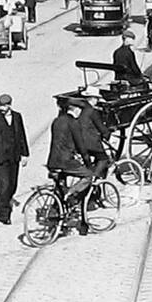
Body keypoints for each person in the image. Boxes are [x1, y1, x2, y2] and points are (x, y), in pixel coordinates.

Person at [47, 98, 92, 234]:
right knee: (88, 176)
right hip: (66, 162)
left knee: (59, 186)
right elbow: (80, 145)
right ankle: (71, 195)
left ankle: (57, 217)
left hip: (52, 161)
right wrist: (87, 161)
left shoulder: (56, 121)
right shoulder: (73, 123)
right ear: (75, 110)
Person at [0, 94, 29, 225]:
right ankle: (4, 214)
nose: (2, 108)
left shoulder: (17, 117)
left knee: (13, 185)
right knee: (3, 186)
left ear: (10, 105)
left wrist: (25, 154)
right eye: (1, 105)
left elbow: (22, 135)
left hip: (14, 157)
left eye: (5, 105)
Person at [75, 85, 111, 179]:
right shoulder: (92, 111)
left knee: (91, 160)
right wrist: (107, 134)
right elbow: (102, 129)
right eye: (96, 99)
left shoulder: (80, 110)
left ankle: (90, 180)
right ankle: (94, 179)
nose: (97, 101)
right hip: (90, 143)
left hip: (78, 142)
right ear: (92, 98)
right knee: (104, 159)